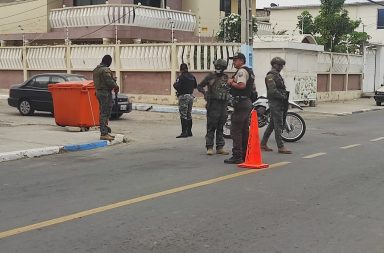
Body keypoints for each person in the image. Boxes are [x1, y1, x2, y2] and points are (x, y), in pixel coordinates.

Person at [224, 52, 255, 164]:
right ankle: (244, 154)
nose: (234, 62)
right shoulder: (250, 71)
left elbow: (242, 85)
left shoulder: (242, 71)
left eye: (236, 60)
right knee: (244, 130)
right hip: (246, 102)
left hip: (241, 103)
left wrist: (231, 82)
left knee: (235, 130)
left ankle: (237, 156)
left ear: (242, 60)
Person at [197, 59, 230, 156]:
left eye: (221, 67)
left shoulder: (225, 77)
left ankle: (220, 147)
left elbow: (228, 89)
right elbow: (199, 86)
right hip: (213, 105)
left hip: (223, 105)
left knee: (221, 127)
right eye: (217, 66)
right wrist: (205, 93)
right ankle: (209, 147)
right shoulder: (210, 76)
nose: (218, 68)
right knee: (211, 127)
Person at [260, 57, 292, 154]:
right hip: (275, 102)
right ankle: (280, 146)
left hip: (279, 102)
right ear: (274, 65)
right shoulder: (270, 76)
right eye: (279, 65)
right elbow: (272, 91)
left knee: (272, 125)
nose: (281, 67)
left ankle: (263, 144)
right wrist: (282, 96)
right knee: (278, 124)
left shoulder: (277, 75)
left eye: (282, 65)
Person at [93, 55, 119, 141]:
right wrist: (115, 85)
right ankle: (104, 133)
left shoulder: (96, 69)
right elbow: (109, 81)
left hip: (98, 92)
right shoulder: (105, 70)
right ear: (108, 61)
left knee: (102, 112)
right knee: (105, 113)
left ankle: (105, 131)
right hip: (105, 93)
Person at [173, 63, 197, 138]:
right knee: (189, 114)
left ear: (181, 70)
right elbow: (195, 86)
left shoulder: (181, 77)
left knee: (183, 114)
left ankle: (184, 132)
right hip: (190, 96)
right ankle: (189, 131)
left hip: (183, 96)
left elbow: (175, 85)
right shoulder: (192, 76)